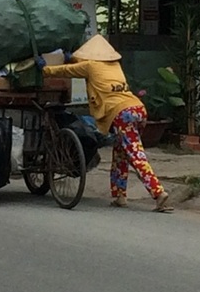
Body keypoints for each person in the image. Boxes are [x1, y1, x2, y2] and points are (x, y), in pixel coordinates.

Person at [39, 35, 173, 212]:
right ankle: (119, 195)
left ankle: (158, 192)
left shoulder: (90, 66)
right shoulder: (115, 65)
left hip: (122, 113)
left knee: (135, 155)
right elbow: (79, 65)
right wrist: (72, 58)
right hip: (137, 109)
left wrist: (45, 69)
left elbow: (66, 70)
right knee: (120, 154)